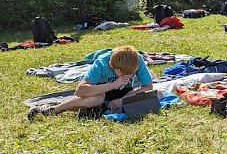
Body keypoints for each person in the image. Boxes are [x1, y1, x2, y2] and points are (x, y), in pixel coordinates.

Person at [27, 45, 155, 119]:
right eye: (123, 72)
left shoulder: (137, 60)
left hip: (125, 93)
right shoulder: (102, 63)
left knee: (157, 94)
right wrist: (114, 84)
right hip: (100, 91)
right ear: (112, 65)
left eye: (130, 73)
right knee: (96, 99)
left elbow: (148, 87)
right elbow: (80, 90)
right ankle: (55, 109)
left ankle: (102, 108)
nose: (127, 75)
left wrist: (122, 100)